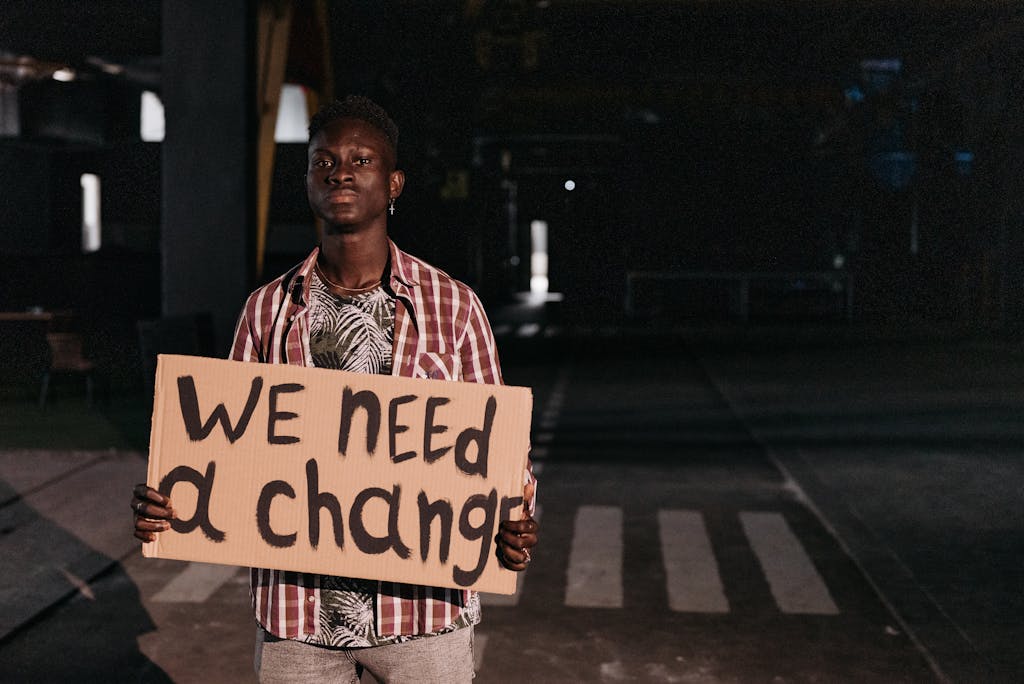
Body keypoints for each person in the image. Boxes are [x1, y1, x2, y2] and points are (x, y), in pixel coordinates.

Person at [131, 94, 539, 683]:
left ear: (394, 183)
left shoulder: (453, 306)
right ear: (306, 181)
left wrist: (520, 514)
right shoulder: (268, 310)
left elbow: (501, 453)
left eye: (361, 160)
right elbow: (226, 452)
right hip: (299, 618)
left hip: (423, 612)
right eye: (323, 162)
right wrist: (169, 500)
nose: (340, 171)